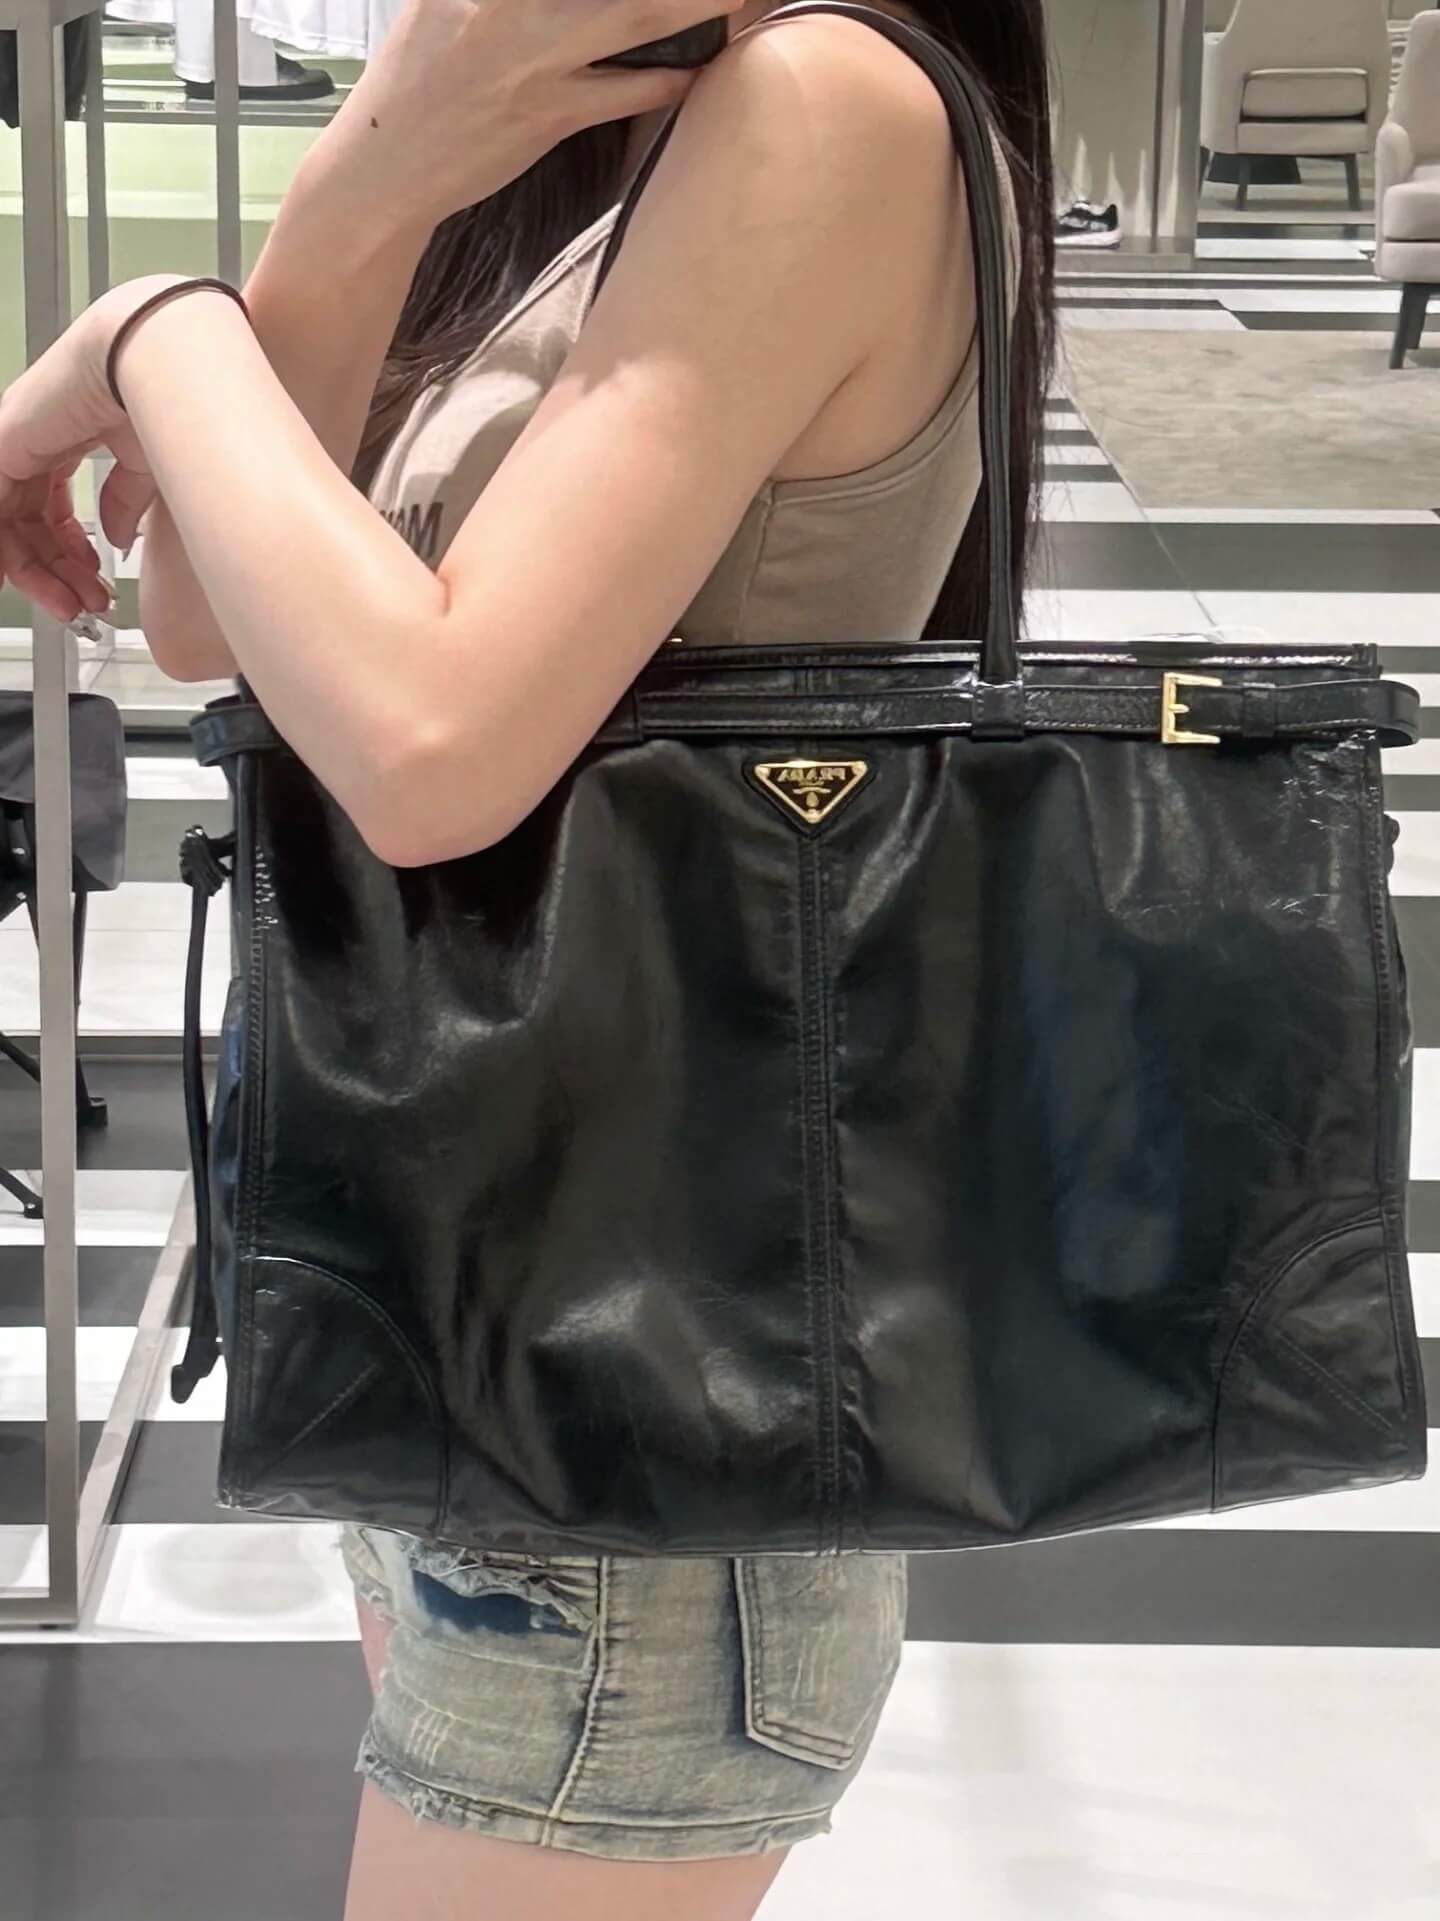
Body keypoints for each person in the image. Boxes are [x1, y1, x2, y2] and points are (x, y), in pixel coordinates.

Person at [0, 0, 1053, 1914]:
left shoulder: (825, 103)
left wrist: (147, 333)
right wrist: (354, 202)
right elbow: (215, 619)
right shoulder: (620, 141)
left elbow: (428, 747)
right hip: (487, 1296)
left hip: (637, 1390)